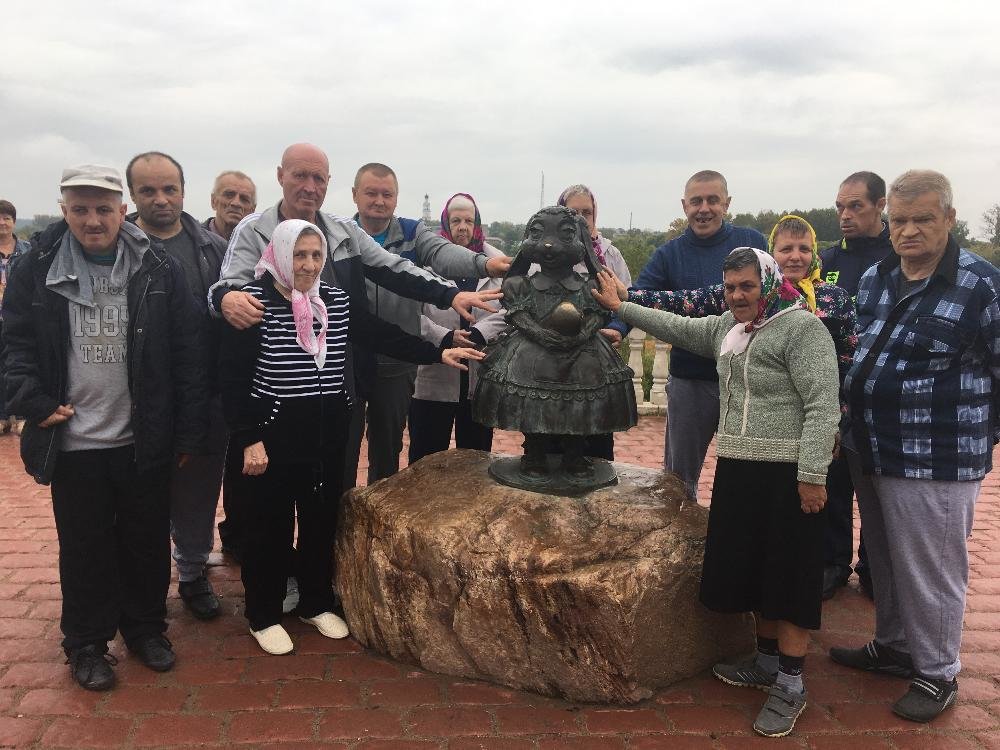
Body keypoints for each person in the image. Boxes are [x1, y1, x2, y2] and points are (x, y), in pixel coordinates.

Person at [208, 144, 502, 564]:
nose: (309, 187)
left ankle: (328, 562)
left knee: (329, 476)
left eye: (318, 178)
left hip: (332, 379)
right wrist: (222, 299)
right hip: (274, 389)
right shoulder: (256, 230)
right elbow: (232, 290)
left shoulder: (342, 236)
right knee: (265, 487)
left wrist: (449, 297)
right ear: (280, 176)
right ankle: (258, 564)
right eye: (300, 176)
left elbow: (392, 275)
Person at [594, 247, 840, 738]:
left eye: (747, 286)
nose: (738, 295)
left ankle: (791, 683)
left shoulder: (801, 329)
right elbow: (678, 327)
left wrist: (812, 474)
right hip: (738, 467)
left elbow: (822, 404)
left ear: (768, 283)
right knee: (754, 569)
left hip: (787, 473)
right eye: (730, 287)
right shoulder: (730, 327)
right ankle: (765, 662)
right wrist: (622, 307)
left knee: (789, 576)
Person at [218, 219, 483, 654]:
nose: (308, 265)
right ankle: (263, 613)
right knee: (269, 526)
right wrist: (248, 436)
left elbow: (380, 334)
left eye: (315, 255)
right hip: (273, 433)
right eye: (299, 255)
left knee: (322, 519)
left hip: (326, 432)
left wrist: (437, 351)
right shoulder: (255, 303)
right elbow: (232, 378)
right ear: (280, 254)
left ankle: (316, 600)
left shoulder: (334, 301)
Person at [2, 164, 207, 690]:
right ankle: (87, 642)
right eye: (80, 209)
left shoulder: (158, 266)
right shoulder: (37, 266)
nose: (92, 220)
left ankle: (145, 628)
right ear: (64, 210)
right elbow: (15, 342)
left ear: (122, 210)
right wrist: (33, 400)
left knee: (145, 541)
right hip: (74, 439)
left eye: (102, 209)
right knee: (84, 547)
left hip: (142, 437)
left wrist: (187, 431)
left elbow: (187, 353)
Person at [829, 170, 1000, 723]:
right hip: (871, 445)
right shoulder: (877, 276)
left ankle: (938, 673)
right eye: (899, 220)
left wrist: (981, 436)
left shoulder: (981, 285)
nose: (908, 231)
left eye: (923, 219)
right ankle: (896, 647)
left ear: (949, 218)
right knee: (886, 558)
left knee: (933, 568)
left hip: (937, 456)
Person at [607, 171, 767, 499]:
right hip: (691, 379)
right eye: (696, 201)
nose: (704, 208)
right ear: (684, 206)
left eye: (712, 200)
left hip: (747, 380)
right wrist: (617, 327)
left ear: (727, 204)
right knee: (678, 480)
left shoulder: (752, 243)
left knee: (749, 475)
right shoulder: (669, 254)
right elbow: (638, 296)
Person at [350, 163, 511, 485]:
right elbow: (420, 308)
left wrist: (483, 270)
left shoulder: (414, 235)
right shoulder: (340, 235)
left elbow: (509, 307)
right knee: (348, 444)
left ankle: (383, 504)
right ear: (355, 195)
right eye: (371, 193)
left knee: (389, 447)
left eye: (387, 194)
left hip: (406, 360)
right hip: (354, 356)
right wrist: (445, 336)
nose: (379, 201)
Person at [125, 151, 228, 620]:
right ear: (133, 195)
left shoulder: (212, 249)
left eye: (169, 189)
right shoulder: (119, 246)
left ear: (185, 191)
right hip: (135, 395)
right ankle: (138, 585)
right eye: (148, 190)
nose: (161, 199)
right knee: (137, 494)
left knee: (197, 490)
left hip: (202, 391)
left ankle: (191, 571)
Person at [473, 206, 636, 478]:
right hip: (531, 354)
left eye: (565, 235)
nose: (549, 245)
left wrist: (582, 335)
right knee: (532, 404)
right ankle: (534, 454)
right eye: (538, 234)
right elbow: (519, 316)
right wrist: (541, 335)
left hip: (581, 355)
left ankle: (575, 455)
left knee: (580, 405)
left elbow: (598, 315)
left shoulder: (590, 286)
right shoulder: (520, 285)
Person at [819, 171, 893, 600]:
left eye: (856, 206)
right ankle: (832, 562)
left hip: (879, 393)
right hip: (832, 390)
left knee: (876, 483)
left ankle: (872, 565)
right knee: (833, 479)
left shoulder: (897, 258)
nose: (845, 215)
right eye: (840, 207)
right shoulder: (827, 261)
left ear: (880, 205)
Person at [408, 193, 506, 463]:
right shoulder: (425, 264)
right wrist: (445, 336)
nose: (462, 227)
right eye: (456, 221)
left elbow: (510, 308)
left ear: (477, 224)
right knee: (426, 457)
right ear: (446, 223)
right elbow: (411, 312)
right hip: (434, 368)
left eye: (468, 221)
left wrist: (480, 333)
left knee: (476, 459)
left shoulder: (496, 262)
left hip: (480, 369)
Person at [554, 184, 633, 461]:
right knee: (553, 434)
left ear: (594, 215)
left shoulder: (609, 255)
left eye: (586, 213)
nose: (580, 219)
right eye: (573, 213)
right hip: (554, 358)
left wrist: (617, 328)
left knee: (597, 439)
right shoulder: (544, 255)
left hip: (597, 357)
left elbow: (627, 301)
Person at [0, 199, 31, 435]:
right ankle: (2, 416)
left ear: (13, 222)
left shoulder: (28, 250)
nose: (2, 223)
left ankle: (22, 414)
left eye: (7, 218)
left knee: (20, 364)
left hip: (21, 318)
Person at [203, 171, 257, 241]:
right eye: (229, 195)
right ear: (213, 201)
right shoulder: (192, 240)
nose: (236, 203)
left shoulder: (261, 245)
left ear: (252, 210)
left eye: (244, 199)